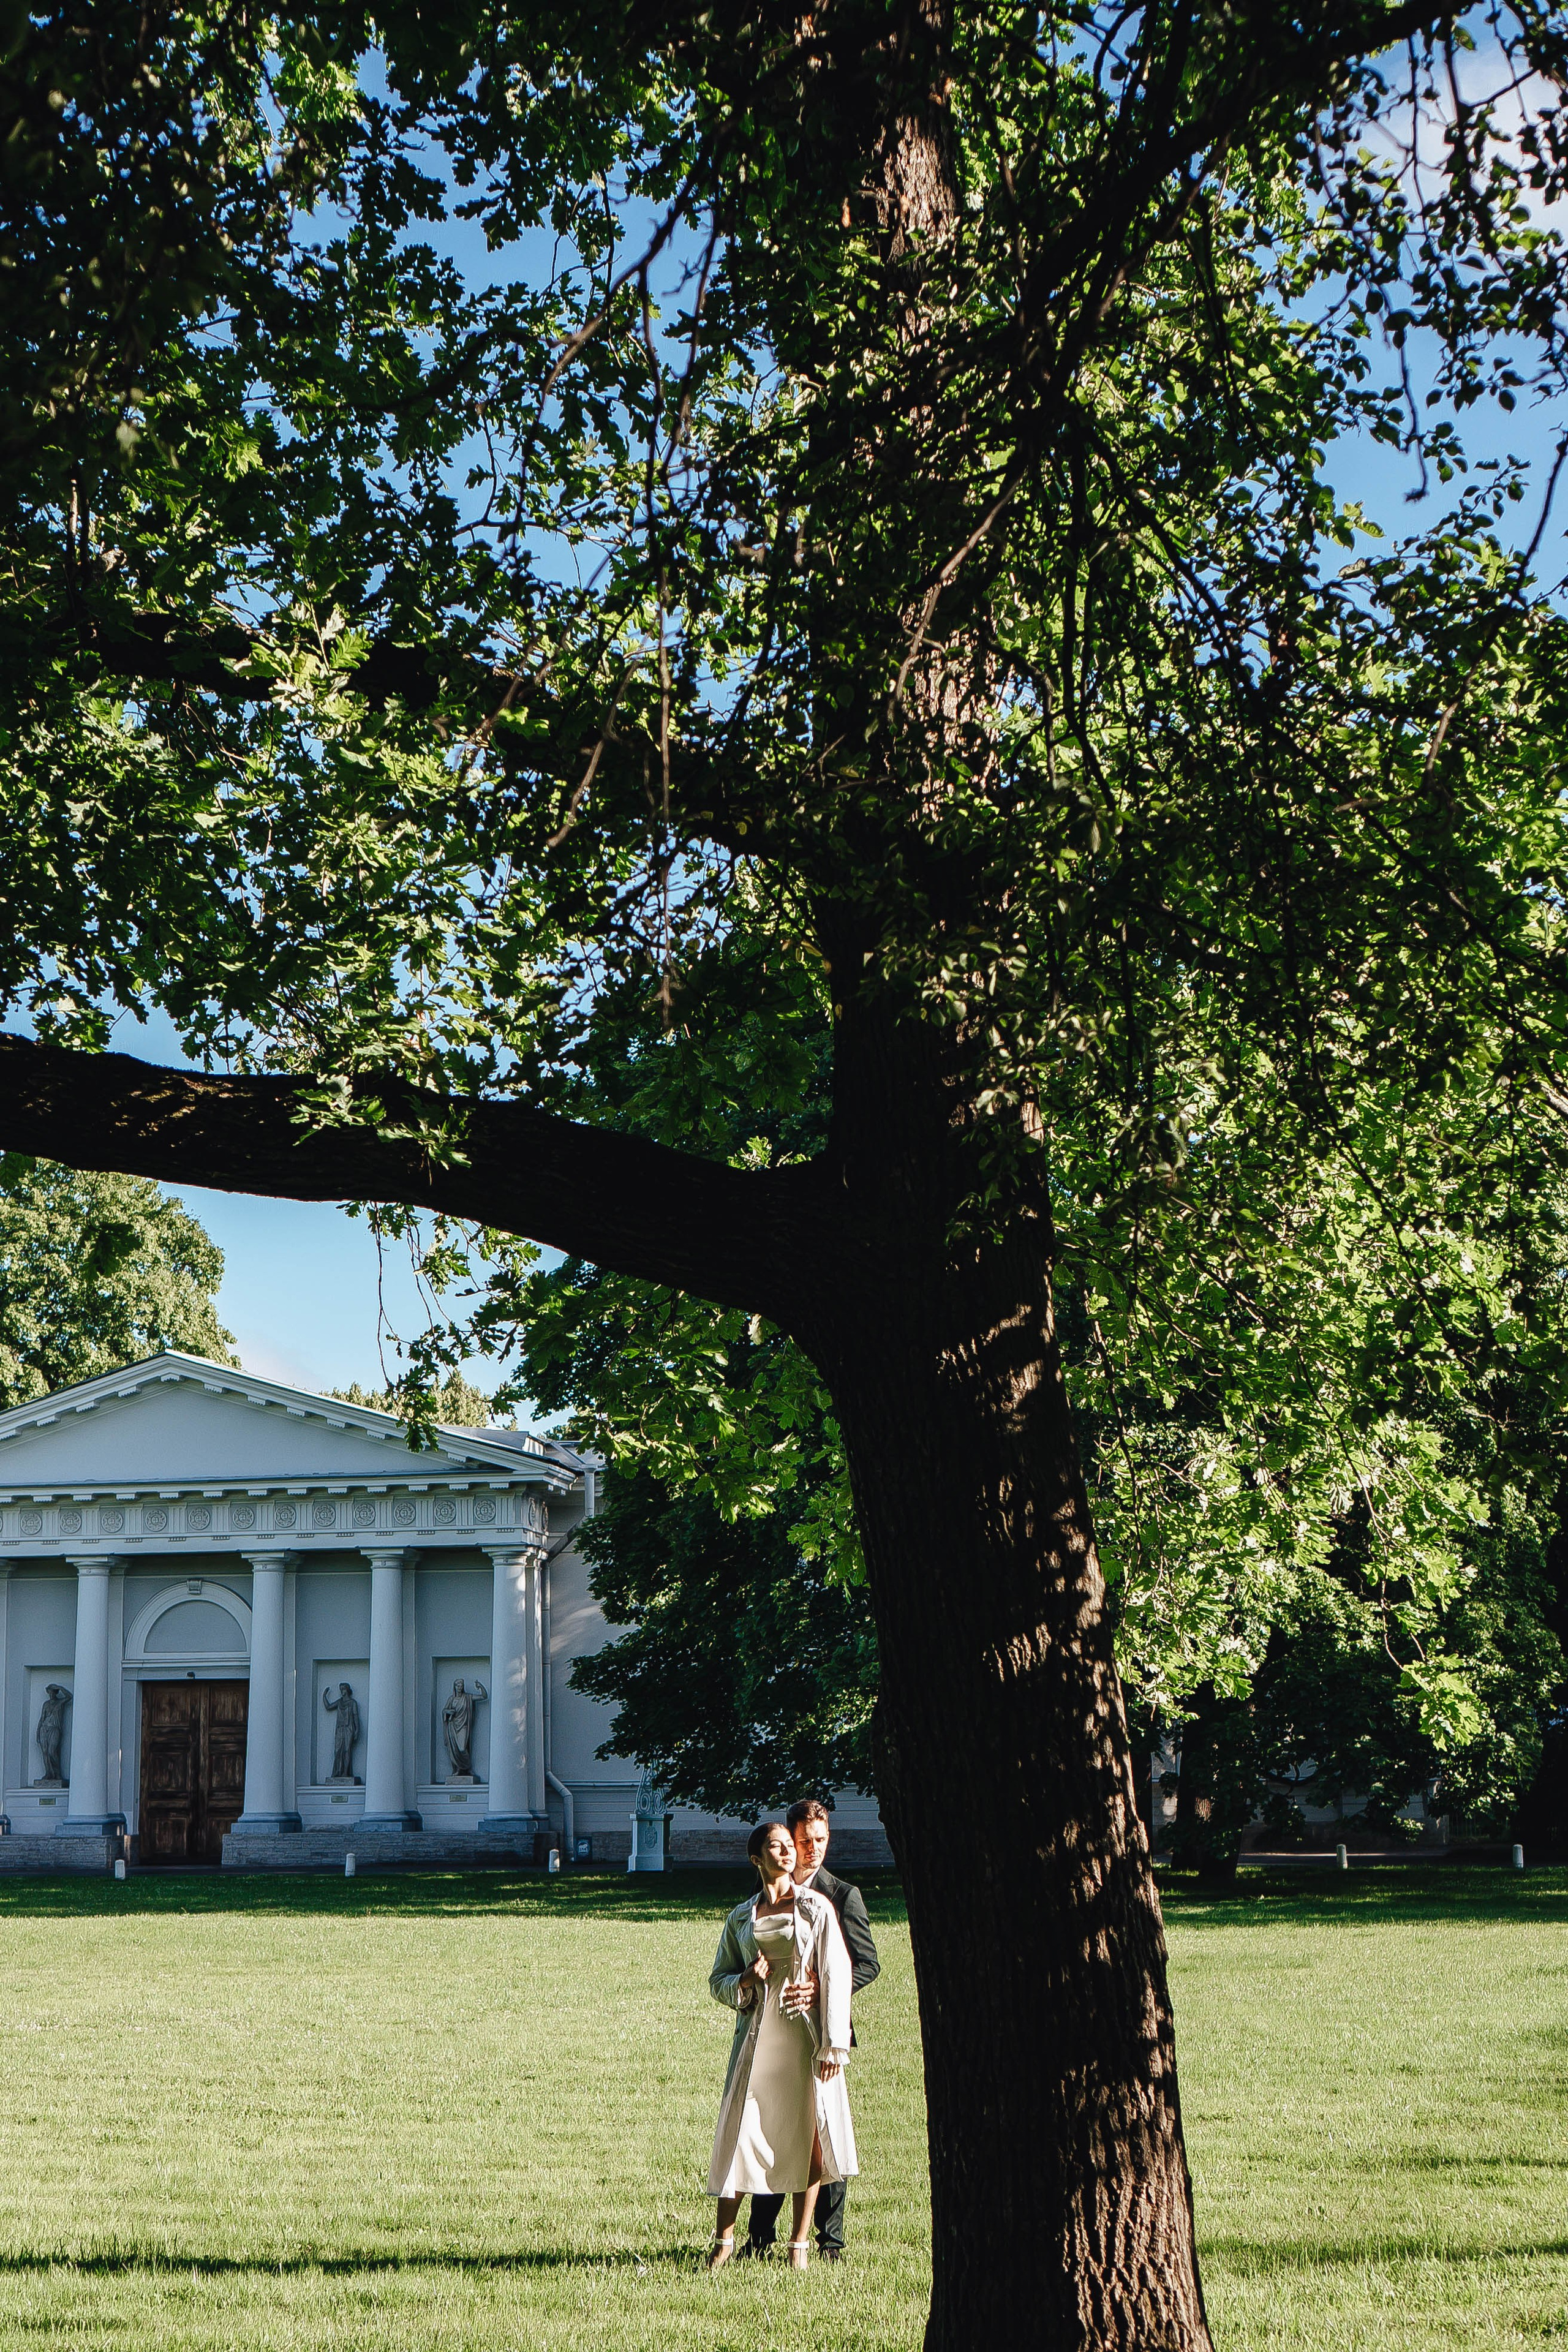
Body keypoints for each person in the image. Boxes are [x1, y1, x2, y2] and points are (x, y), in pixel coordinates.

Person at [706, 1819, 858, 2271]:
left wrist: (833, 2046)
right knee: (741, 2134)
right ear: (758, 1858)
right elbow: (718, 1980)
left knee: (808, 2135)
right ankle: (723, 2242)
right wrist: (747, 1980)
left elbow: (837, 1972)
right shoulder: (740, 1917)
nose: (788, 1852)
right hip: (757, 2039)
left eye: (789, 1845)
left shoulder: (817, 1909)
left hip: (803, 2036)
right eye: (776, 1846)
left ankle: (798, 2246)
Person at [744, 1797, 879, 2261]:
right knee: (773, 2129)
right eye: (805, 1841)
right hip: (774, 2032)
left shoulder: (842, 1896)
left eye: (821, 1840)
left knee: (824, 2133)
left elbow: (867, 1964)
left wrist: (823, 1990)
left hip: (824, 2032)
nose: (813, 1849)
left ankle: (830, 2242)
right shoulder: (767, 1894)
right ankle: (760, 2238)